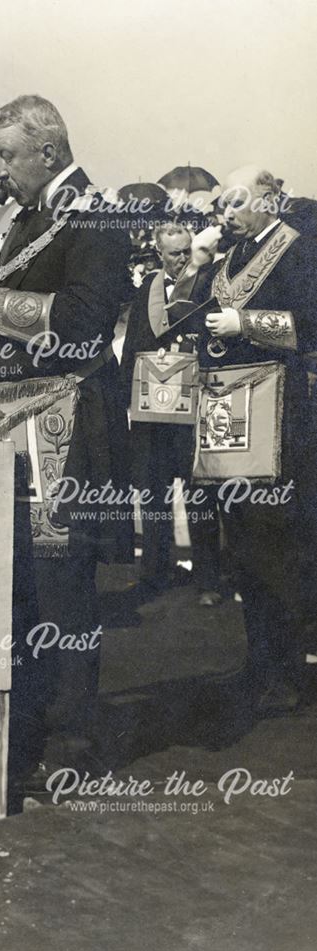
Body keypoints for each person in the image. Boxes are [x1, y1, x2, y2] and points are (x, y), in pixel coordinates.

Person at [0, 95, 133, 776]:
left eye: (5, 154)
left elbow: (85, 319)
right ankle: (30, 734)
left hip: (64, 423)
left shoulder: (93, 216)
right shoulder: (31, 219)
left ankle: (73, 746)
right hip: (11, 420)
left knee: (63, 589)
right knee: (19, 587)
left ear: (47, 151)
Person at [178, 165, 317, 714]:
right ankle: (260, 659)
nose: (227, 213)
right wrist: (198, 264)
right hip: (228, 409)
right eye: (223, 204)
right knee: (244, 543)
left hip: (279, 412)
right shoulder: (229, 257)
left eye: (238, 203)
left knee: (277, 544)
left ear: (271, 201)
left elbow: (311, 322)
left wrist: (247, 323)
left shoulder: (299, 248)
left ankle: (285, 669)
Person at [120, 222, 224, 605]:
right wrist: (124, 397)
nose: (181, 259)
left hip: (193, 404)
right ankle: (154, 572)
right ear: (159, 253)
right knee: (153, 494)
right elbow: (132, 341)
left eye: (186, 251)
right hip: (151, 407)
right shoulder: (148, 285)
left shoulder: (208, 283)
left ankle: (208, 580)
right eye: (173, 253)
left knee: (199, 496)